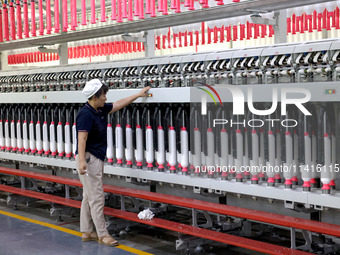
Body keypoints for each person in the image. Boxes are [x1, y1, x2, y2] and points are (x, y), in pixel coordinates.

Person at [76, 79, 150, 247]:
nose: (105, 98)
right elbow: (82, 138)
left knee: (89, 196)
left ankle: (87, 231)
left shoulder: (98, 109)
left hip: (94, 157)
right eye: (103, 95)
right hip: (89, 157)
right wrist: (82, 161)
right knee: (97, 197)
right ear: (95, 96)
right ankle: (103, 234)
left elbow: (117, 105)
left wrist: (138, 95)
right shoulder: (86, 114)